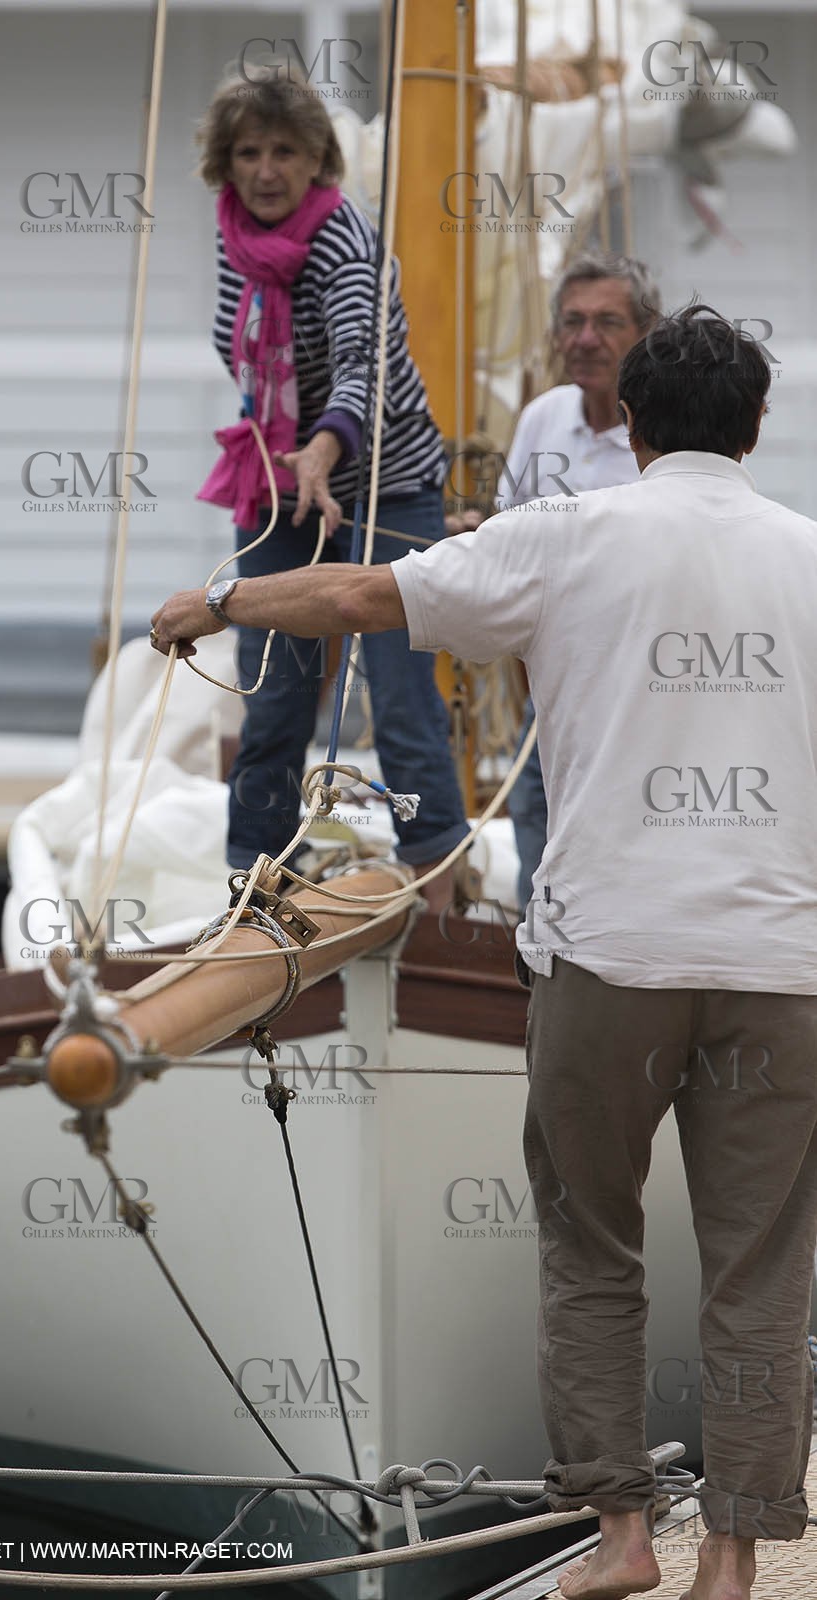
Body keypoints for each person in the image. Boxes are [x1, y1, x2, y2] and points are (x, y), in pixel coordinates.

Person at [152, 305, 817, 1600]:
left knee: (588, 1244)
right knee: (757, 1267)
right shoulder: (806, 556)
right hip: (777, 961)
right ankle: (726, 1564)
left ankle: (619, 1537)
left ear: (625, 422)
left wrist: (218, 597)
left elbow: (356, 593)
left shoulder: (566, 537)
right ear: (750, 425)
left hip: (607, 954)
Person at [193, 67, 470, 912]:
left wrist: (321, 448)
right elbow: (235, 346)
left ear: (318, 160)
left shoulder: (343, 240)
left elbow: (362, 364)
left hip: (387, 482)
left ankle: (437, 874)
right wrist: (290, 454)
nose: (267, 170)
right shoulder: (235, 239)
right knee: (271, 687)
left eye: (286, 151)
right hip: (285, 486)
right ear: (225, 164)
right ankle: (249, 878)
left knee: (396, 690)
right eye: (249, 152)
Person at [453, 253, 662, 912]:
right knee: (535, 808)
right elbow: (512, 536)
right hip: (554, 680)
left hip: (643, 683)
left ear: (644, 333)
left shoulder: (669, 432)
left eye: (605, 322)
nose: (584, 339)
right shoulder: (544, 418)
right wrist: (476, 532)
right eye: (571, 322)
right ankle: (538, 967)